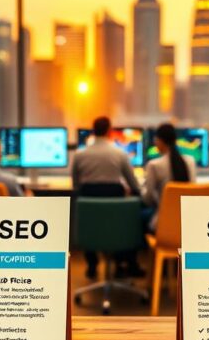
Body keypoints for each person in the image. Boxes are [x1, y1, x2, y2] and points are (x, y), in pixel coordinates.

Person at [71, 116, 142, 278]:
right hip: (116, 216)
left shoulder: (80, 154)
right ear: (109, 131)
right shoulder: (120, 154)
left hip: (89, 215)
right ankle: (121, 264)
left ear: (93, 131)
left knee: (89, 220)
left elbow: (75, 185)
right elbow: (134, 185)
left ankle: (92, 264)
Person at [142, 123, 195, 230]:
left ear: (160, 141)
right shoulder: (190, 161)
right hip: (188, 223)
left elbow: (147, 199)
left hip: (163, 224)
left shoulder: (153, 165)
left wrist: (141, 190)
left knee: (138, 215)